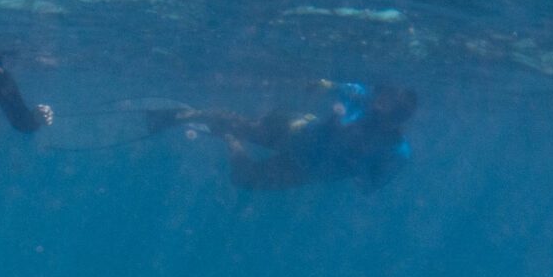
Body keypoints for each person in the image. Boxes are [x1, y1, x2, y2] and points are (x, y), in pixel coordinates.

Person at [151, 81, 416, 191]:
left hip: (302, 167)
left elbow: (372, 184)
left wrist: (357, 165)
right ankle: (178, 117)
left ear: (398, 116)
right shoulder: (366, 100)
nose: (377, 106)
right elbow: (345, 87)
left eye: (387, 106)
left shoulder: (396, 150)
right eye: (381, 100)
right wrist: (325, 85)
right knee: (238, 124)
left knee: (244, 178)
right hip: (297, 133)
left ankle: (229, 138)